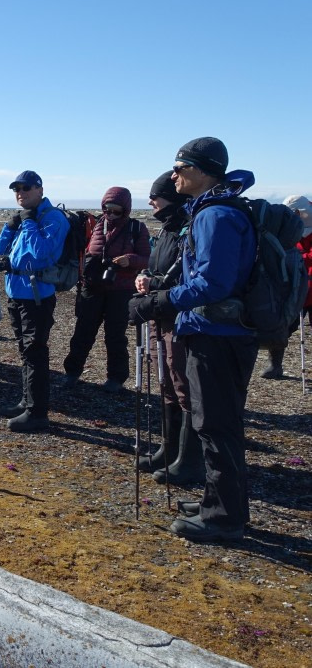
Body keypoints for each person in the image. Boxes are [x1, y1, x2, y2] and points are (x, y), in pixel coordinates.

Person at [129, 137, 257, 542]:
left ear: (202, 171)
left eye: (180, 167)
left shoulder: (214, 215)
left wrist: (159, 302)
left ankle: (224, 518)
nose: (173, 175)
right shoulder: (216, 209)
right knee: (217, 423)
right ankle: (217, 502)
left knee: (216, 425)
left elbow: (213, 283)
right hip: (221, 333)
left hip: (216, 335)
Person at [134, 173, 200, 484]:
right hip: (160, 314)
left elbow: (184, 278)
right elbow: (160, 267)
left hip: (178, 317)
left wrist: (154, 284)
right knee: (166, 381)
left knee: (182, 382)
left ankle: (188, 460)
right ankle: (169, 448)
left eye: (155, 196)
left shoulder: (187, 231)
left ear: (170, 199)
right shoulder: (168, 230)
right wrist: (146, 274)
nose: (150, 202)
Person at [0, 170, 69, 432]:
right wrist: (10, 225)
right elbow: (3, 249)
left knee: (35, 353)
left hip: (37, 296)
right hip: (17, 293)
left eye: (26, 188)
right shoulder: (29, 218)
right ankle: (27, 402)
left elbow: (41, 254)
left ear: (40, 190)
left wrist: (27, 223)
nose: (20, 193)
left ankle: (37, 413)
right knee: (25, 351)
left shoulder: (52, 218)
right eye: (17, 189)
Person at [63, 187, 151, 391]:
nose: (110, 215)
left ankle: (116, 378)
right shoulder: (93, 225)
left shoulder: (137, 228)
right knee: (82, 333)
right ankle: (72, 373)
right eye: (107, 210)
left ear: (126, 210)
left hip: (121, 290)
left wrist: (129, 260)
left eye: (116, 211)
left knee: (116, 336)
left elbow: (148, 259)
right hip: (92, 287)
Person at [261, 195, 312, 378]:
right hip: (294, 287)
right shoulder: (285, 225)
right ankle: (275, 365)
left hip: (307, 287)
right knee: (284, 325)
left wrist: (297, 260)